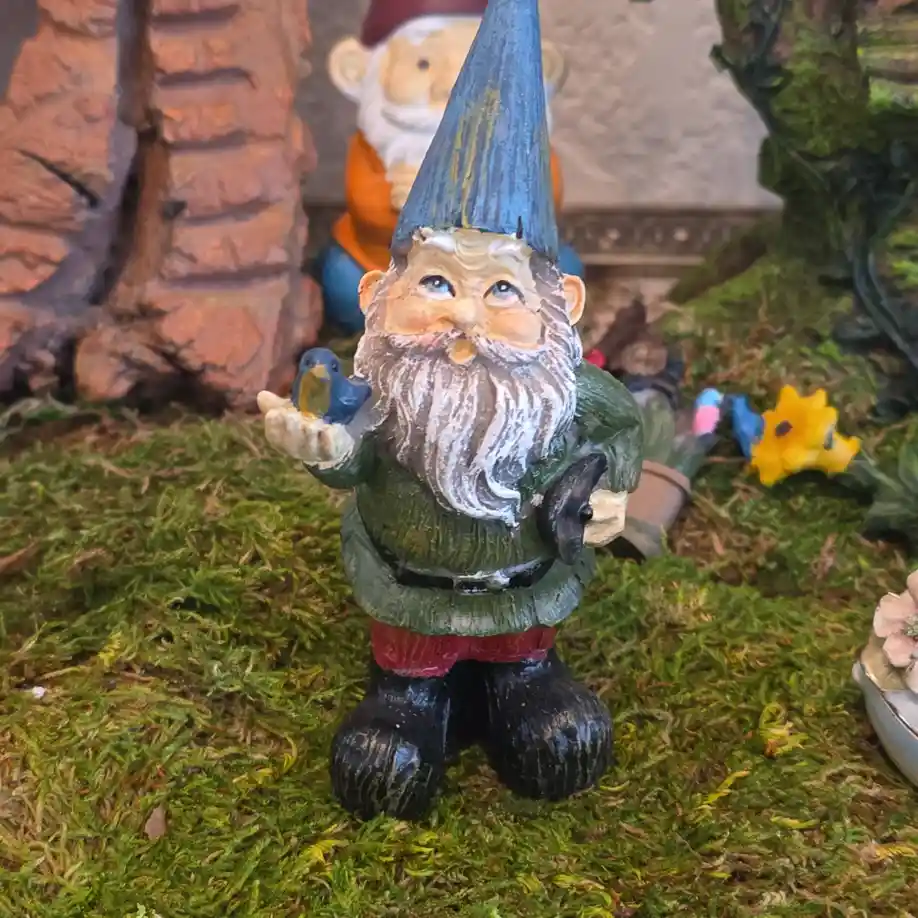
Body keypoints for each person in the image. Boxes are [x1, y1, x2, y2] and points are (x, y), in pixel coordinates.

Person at [259, 0, 642, 820]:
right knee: (389, 745)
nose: (465, 315)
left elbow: (616, 426)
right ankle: (408, 698)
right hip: (411, 593)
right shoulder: (388, 390)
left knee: (550, 724)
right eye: (436, 281)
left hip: (523, 587)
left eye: (500, 289)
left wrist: (611, 485)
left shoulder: (565, 397)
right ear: (377, 295)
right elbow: (354, 453)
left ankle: (523, 682)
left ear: (562, 308)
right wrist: (327, 448)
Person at [318, 0, 585, 333]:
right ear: (357, 71)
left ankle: (513, 330)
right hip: (396, 273)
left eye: (480, 66)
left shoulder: (528, 150)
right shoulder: (376, 150)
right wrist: (401, 205)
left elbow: (543, 203)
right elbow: (367, 209)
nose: (451, 86)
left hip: (501, 279)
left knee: (562, 272)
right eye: (423, 63)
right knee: (344, 278)